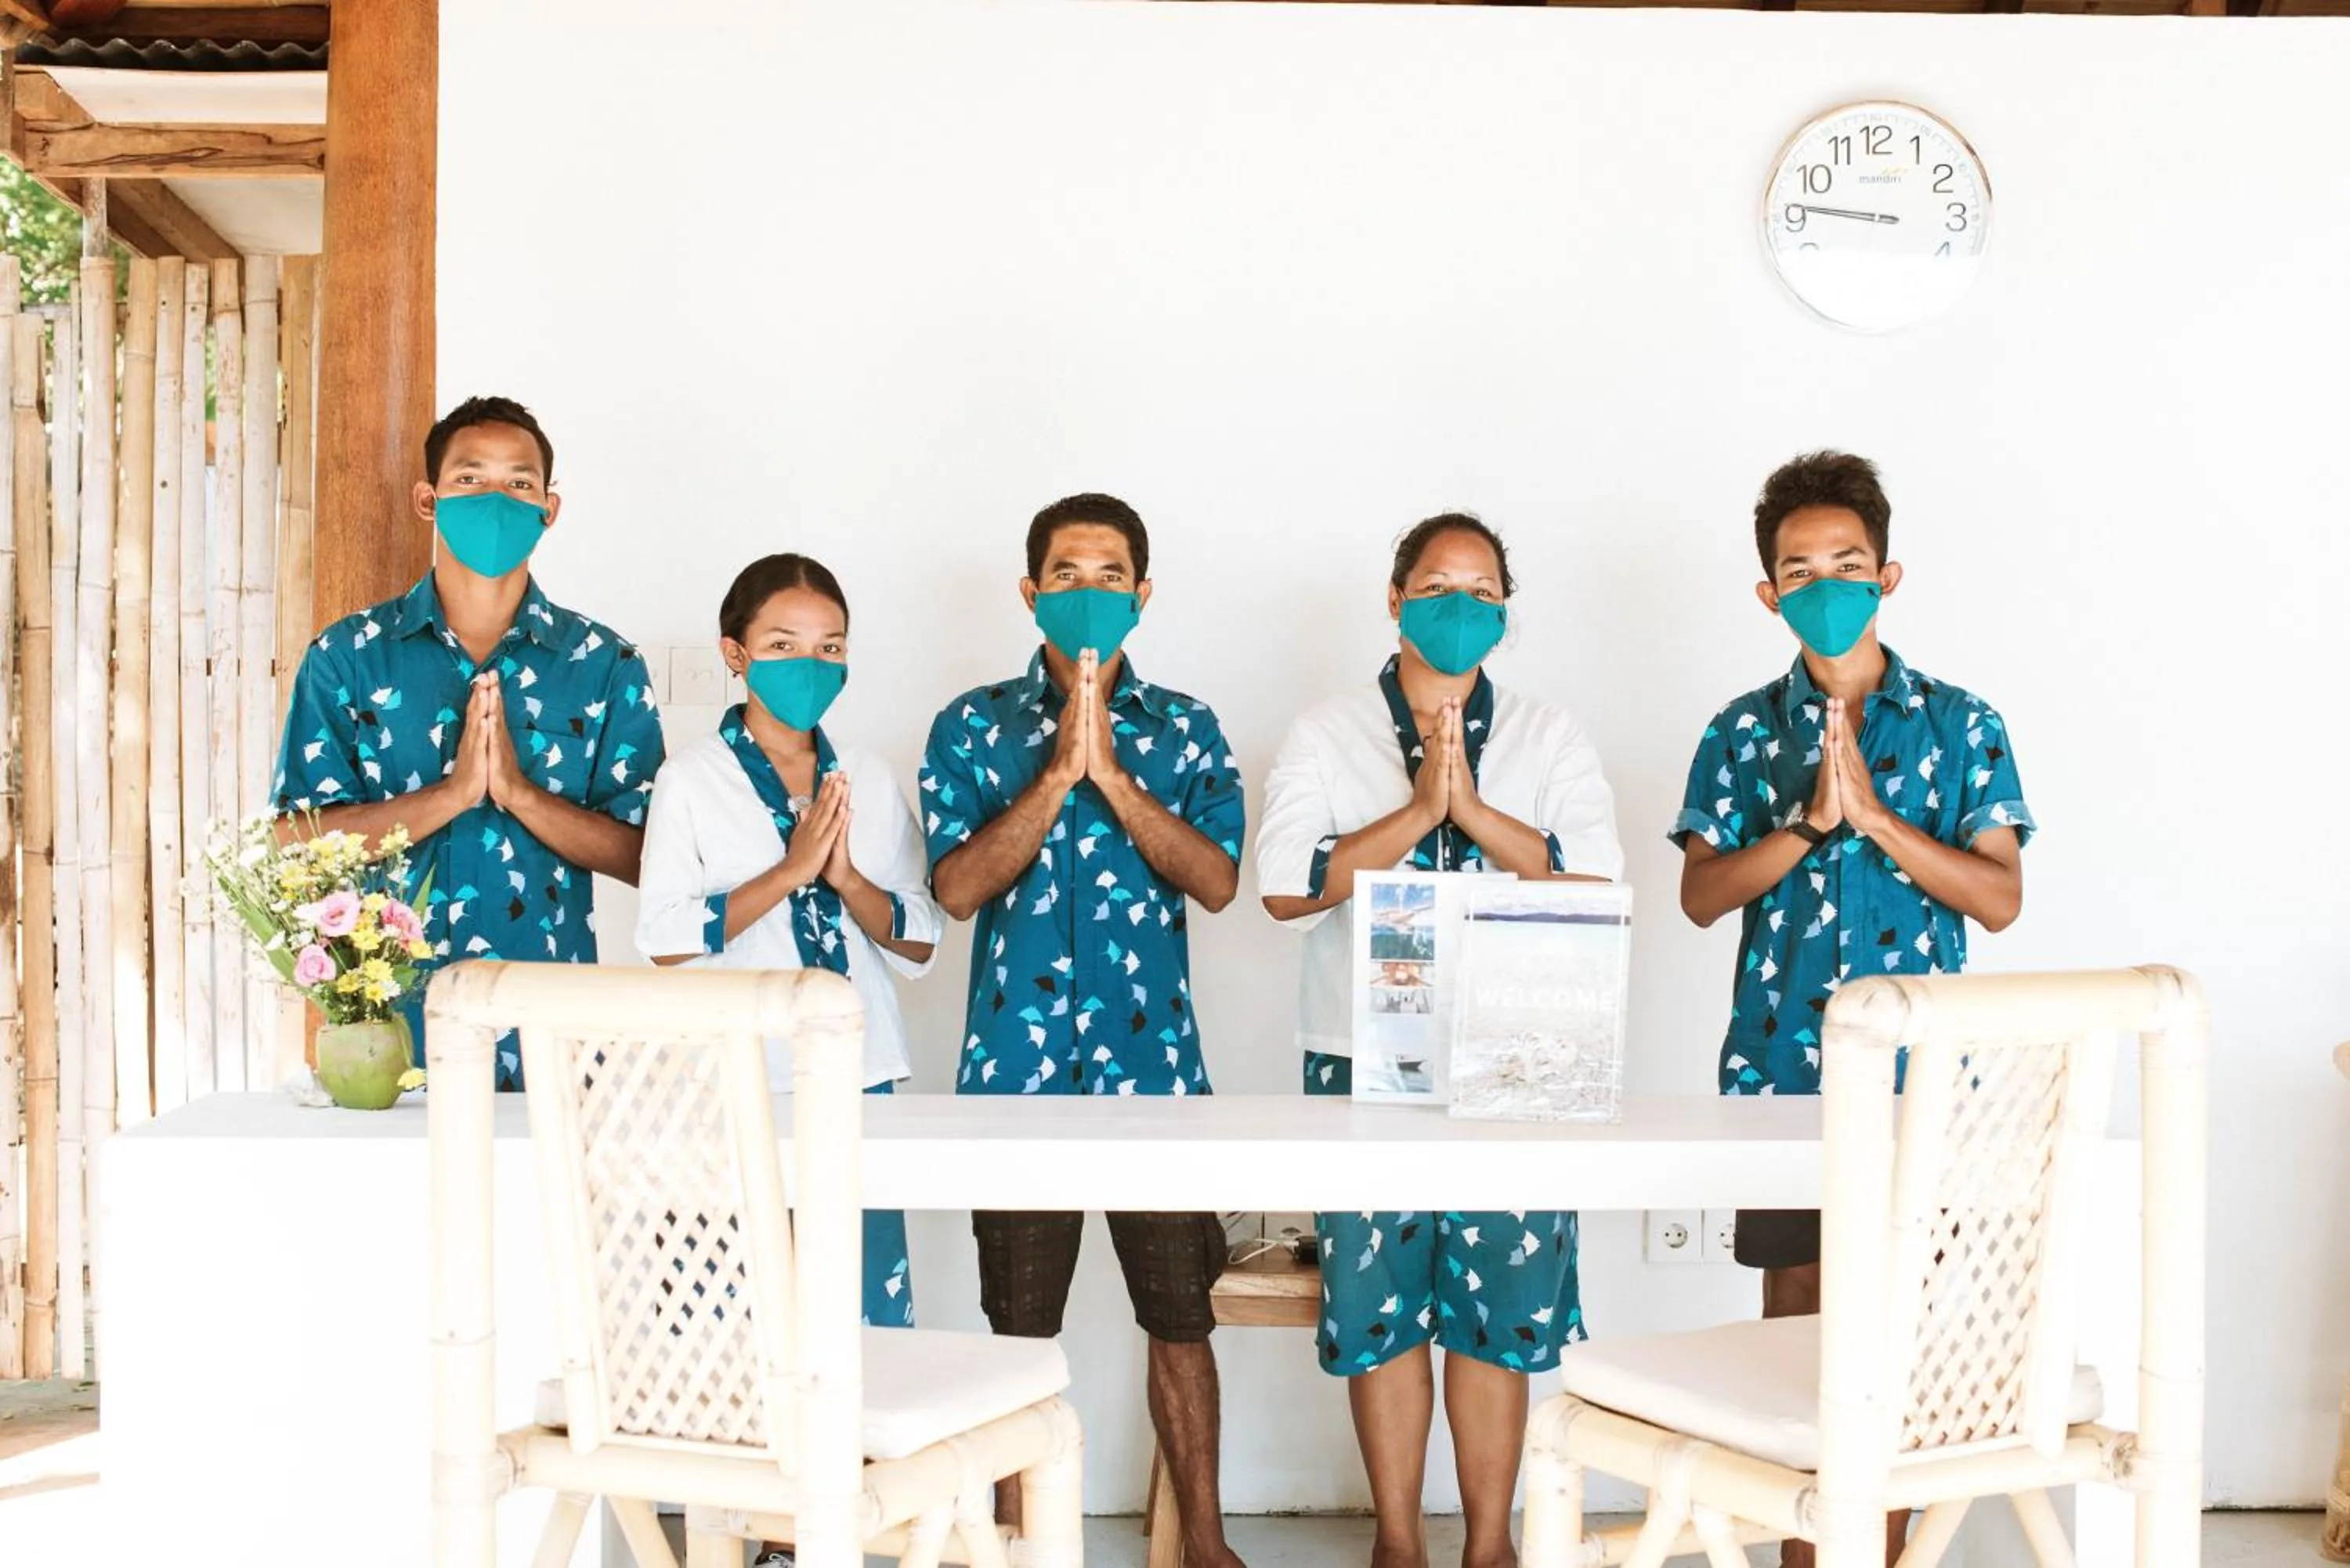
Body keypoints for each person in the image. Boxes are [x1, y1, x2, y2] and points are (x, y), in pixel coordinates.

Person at [1671, 451, 2033, 1568]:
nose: (1825, 582)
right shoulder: (1739, 731)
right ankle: (1800, 1554)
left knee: (1894, 1340)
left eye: (1848, 562)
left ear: (1889, 574)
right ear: (1768, 591)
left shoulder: (1962, 724)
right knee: (1797, 1331)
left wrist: (1876, 820)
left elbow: (2002, 896)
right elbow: (1699, 894)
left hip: (1924, 1092)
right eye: (1799, 567)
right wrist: (1810, 828)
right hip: (1779, 1076)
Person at [1256, 513, 1622, 1568]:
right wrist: (1419, 811)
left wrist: (1472, 805)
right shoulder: (1329, 731)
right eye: (1434, 585)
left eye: (1481, 590)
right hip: (1361, 1052)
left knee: (1496, 1306)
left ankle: (1492, 1544)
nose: (1458, 606)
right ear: (1393, 598)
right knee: (1380, 1303)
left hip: (1522, 1049)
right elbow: (1285, 884)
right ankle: (1400, 1540)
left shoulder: (1549, 733)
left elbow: (1594, 878)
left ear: (1505, 609)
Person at [919, 493, 1248, 1568]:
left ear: (1144, 595)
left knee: (1182, 1317)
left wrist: (1114, 771)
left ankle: (1202, 1541)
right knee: (1018, 1332)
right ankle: (1016, 1543)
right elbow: (957, 889)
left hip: (1155, 1076)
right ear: (1030, 592)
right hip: (1012, 1076)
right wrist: (1059, 771)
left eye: (1112, 574)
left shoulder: (1187, 726)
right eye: (1066, 573)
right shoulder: (970, 725)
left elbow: (1217, 879)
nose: (1089, 592)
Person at [273, 396, 665, 1084]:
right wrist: (453, 796)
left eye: (520, 483)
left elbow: (649, 859)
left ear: (550, 507)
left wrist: (517, 794)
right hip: (388, 1026)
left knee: (549, 1195)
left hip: (553, 1024)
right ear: (429, 500)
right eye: (470, 479)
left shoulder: (605, 665)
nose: (496, 499)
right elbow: (299, 843)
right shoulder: (349, 657)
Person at [635, 552, 942, 1328]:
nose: (809, 663)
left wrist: (844, 879)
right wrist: (791, 869)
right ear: (735, 654)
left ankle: (862, 1451)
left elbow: (919, 938)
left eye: (829, 646)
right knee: (738, 1307)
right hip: (734, 1074)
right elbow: (665, 937)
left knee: (858, 1303)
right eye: (782, 644)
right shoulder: (692, 780)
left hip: (857, 1069)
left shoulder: (866, 778)